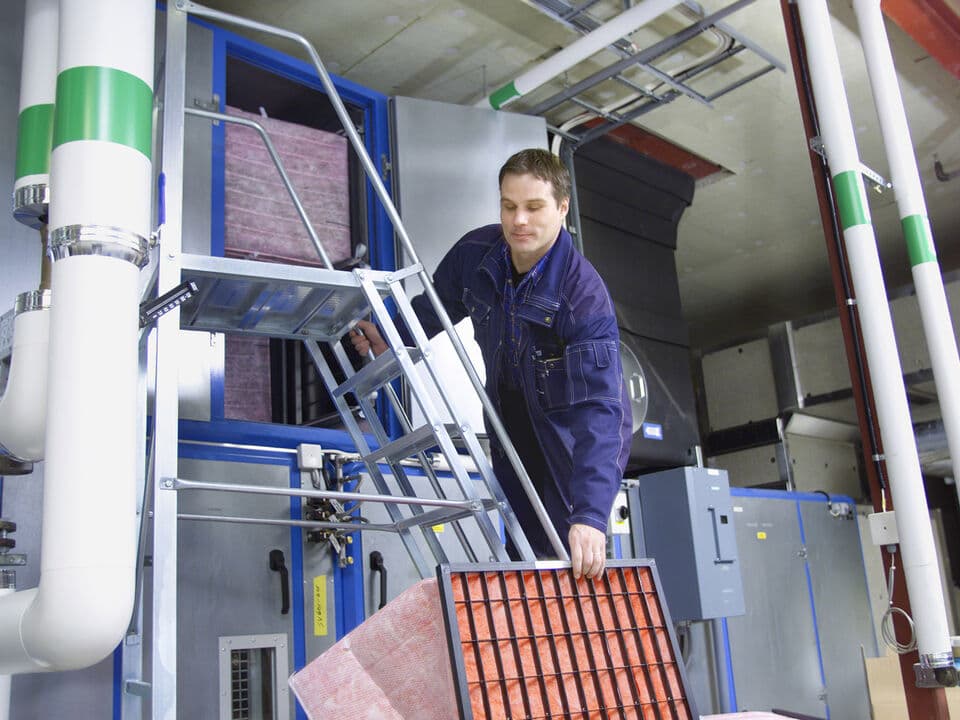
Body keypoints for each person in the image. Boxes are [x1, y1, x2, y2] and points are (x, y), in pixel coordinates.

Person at [351, 148, 631, 580]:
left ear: (562, 207)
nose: (519, 220)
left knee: (562, 567)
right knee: (520, 561)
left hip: (564, 452)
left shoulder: (583, 299)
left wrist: (591, 514)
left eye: (534, 207)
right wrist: (392, 337)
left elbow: (603, 412)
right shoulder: (476, 255)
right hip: (507, 431)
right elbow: (434, 308)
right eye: (509, 206)